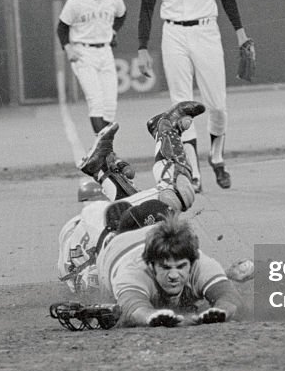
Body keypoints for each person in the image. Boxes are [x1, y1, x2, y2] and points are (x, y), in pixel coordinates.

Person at [57, 101, 243, 327]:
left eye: (180, 266)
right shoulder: (132, 268)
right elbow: (136, 308)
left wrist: (221, 306)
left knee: (174, 197)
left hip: (98, 243)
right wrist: (152, 316)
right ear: (150, 263)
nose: (175, 274)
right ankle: (165, 129)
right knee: (177, 195)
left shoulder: (195, 262)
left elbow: (228, 297)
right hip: (85, 254)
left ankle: (103, 169)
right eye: (166, 267)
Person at [137, 0, 255, 192]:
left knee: (217, 105)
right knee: (181, 107)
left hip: (206, 31)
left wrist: (241, 33)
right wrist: (142, 47)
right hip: (173, 33)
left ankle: (216, 157)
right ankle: (192, 171)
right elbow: (146, 11)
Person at [58, 0, 128, 134]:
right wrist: (68, 48)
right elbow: (62, 27)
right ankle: (104, 152)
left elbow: (122, 15)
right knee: (96, 102)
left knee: (110, 105)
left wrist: (113, 31)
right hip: (83, 51)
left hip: (105, 51)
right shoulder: (76, 1)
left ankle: (104, 151)